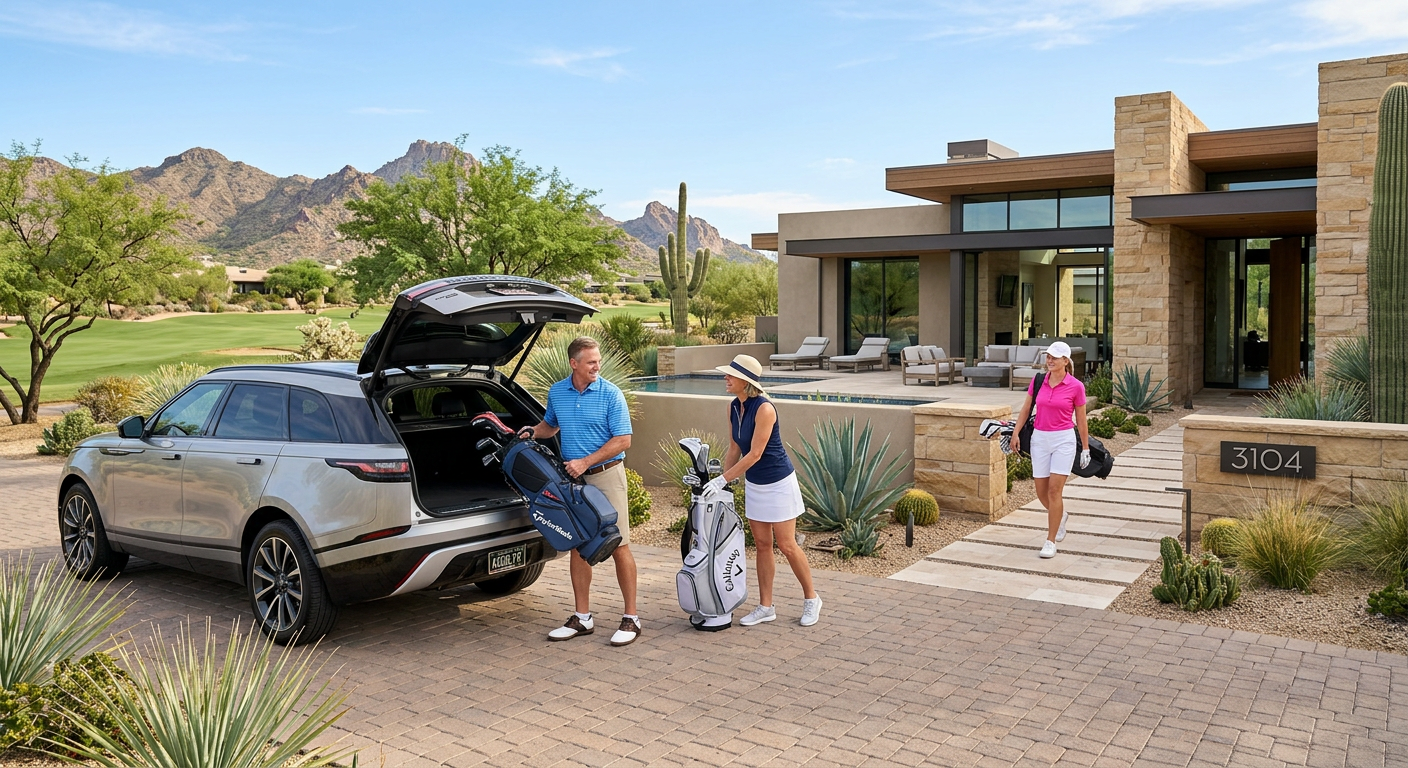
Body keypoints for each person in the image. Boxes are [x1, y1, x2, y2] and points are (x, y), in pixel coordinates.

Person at [520, 337, 641, 646]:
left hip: (605, 476)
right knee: (577, 545)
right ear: (574, 364)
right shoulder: (558, 391)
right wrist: (533, 432)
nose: (596, 366)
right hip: (573, 481)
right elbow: (551, 425)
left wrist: (585, 461)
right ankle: (582, 617)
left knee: (618, 545)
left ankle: (631, 618)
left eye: (597, 361)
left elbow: (623, 439)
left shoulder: (611, 394)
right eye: (590, 362)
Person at [704, 354, 822, 628]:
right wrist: (723, 480)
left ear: (745, 382)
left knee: (787, 545)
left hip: (779, 483)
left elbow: (755, 453)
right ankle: (766, 606)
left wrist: (722, 480)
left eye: (731, 375)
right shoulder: (733, 407)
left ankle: (811, 599)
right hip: (755, 484)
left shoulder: (765, 409)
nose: (726, 378)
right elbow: (735, 447)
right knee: (762, 545)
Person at [1009, 341, 1090, 559]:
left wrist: (1085, 448)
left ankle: (1050, 540)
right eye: (1048, 357)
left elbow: (1081, 421)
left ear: (1066, 361)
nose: (1050, 360)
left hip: (1063, 440)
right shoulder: (1038, 381)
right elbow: (1026, 409)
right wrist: (1015, 433)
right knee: (1041, 492)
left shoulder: (1076, 386)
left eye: (1054, 357)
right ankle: (1060, 516)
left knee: (1055, 491)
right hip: (1039, 439)